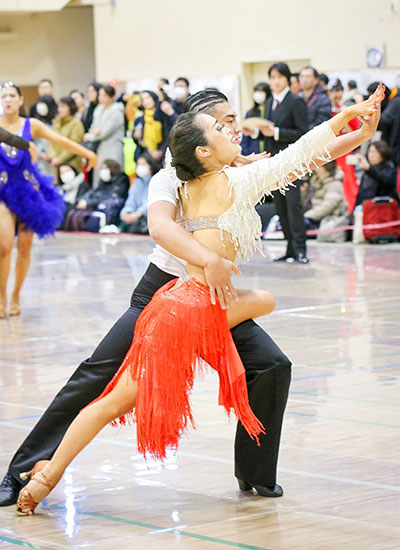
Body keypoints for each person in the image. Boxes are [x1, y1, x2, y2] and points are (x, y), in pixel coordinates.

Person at [0, 86, 385, 509]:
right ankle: (25, 469)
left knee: (270, 364)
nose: (234, 128)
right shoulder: (181, 176)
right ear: (200, 141)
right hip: (166, 291)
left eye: (233, 121)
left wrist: (355, 132)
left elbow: (302, 157)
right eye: (223, 123)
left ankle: (253, 474)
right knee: (97, 378)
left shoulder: (224, 172)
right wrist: (347, 116)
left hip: (191, 300)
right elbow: (163, 227)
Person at [0, 82, 97, 319]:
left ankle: (15, 296)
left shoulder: (30, 124)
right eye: (3, 96)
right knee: (3, 246)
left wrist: (88, 153)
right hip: (2, 190)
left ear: (21, 100)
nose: (7, 99)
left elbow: (60, 140)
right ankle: (1, 297)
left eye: (12, 95)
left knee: (24, 247)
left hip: (26, 189)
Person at [261, 62, 309, 263]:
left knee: (293, 206)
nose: (275, 81)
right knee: (281, 207)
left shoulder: (296, 101)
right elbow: (269, 134)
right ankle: (289, 248)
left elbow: (303, 133)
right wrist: (256, 132)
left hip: (291, 163)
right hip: (274, 163)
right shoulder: (271, 101)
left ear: (288, 79)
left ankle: (300, 250)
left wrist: (277, 132)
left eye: (279, 77)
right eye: (272, 77)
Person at [84, 84, 125, 187]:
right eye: (100, 95)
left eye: (104, 95)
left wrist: (90, 135)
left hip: (113, 147)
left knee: (112, 173)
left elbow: (104, 132)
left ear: (112, 97)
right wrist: (94, 132)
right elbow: (93, 128)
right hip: (100, 148)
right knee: (99, 174)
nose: (101, 98)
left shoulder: (116, 112)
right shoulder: (98, 109)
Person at [119, 152, 159, 234]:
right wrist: (125, 214)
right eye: (138, 164)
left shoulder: (156, 181)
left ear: (151, 166)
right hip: (134, 217)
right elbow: (130, 201)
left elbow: (150, 203)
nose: (140, 167)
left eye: (143, 164)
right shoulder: (136, 182)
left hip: (147, 216)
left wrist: (137, 214)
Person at [47, 97, 85, 180]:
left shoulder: (76, 123)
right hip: (56, 164)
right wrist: (53, 157)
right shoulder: (56, 122)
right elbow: (51, 141)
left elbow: (74, 144)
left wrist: (60, 159)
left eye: (63, 106)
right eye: (59, 106)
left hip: (71, 164)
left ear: (70, 108)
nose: (60, 109)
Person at [303, 161, 347, 229]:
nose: (315, 169)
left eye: (318, 166)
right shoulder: (315, 181)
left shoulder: (335, 183)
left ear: (327, 166)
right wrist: (303, 191)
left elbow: (327, 207)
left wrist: (306, 216)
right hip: (314, 217)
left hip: (327, 221)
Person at [354, 140, 398, 207]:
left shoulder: (389, 167)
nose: (371, 155)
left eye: (375, 152)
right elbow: (361, 194)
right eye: (370, 152)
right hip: (367, 209)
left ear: (382, 153)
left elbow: (386, 181)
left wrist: (369, 169)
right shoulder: (368, 171)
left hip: (384, 209)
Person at [30, 94, 58, 175]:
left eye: (43, 104)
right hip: (40, 159)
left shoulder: (57, 121)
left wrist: (52, 155)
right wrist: (40, 153)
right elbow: (33, 141)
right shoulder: (36, 122)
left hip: (55, 159)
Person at [241, 82, 271, 156]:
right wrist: (246, 153)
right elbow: (245, 137)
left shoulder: (271, 111)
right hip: (253, 152)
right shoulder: (250, 113)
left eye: (261, 91)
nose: (258, 94)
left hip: (270, 153)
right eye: (256, 91)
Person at [133, 91, 164, 161]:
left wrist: (161, 151)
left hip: (160, 154)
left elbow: (167, 136)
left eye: (148, 98)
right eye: (143, 100)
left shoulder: (162, 116)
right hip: (145, 155)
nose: (146, 101)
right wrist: (135, 136)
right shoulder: (140, 119)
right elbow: (136, 140)